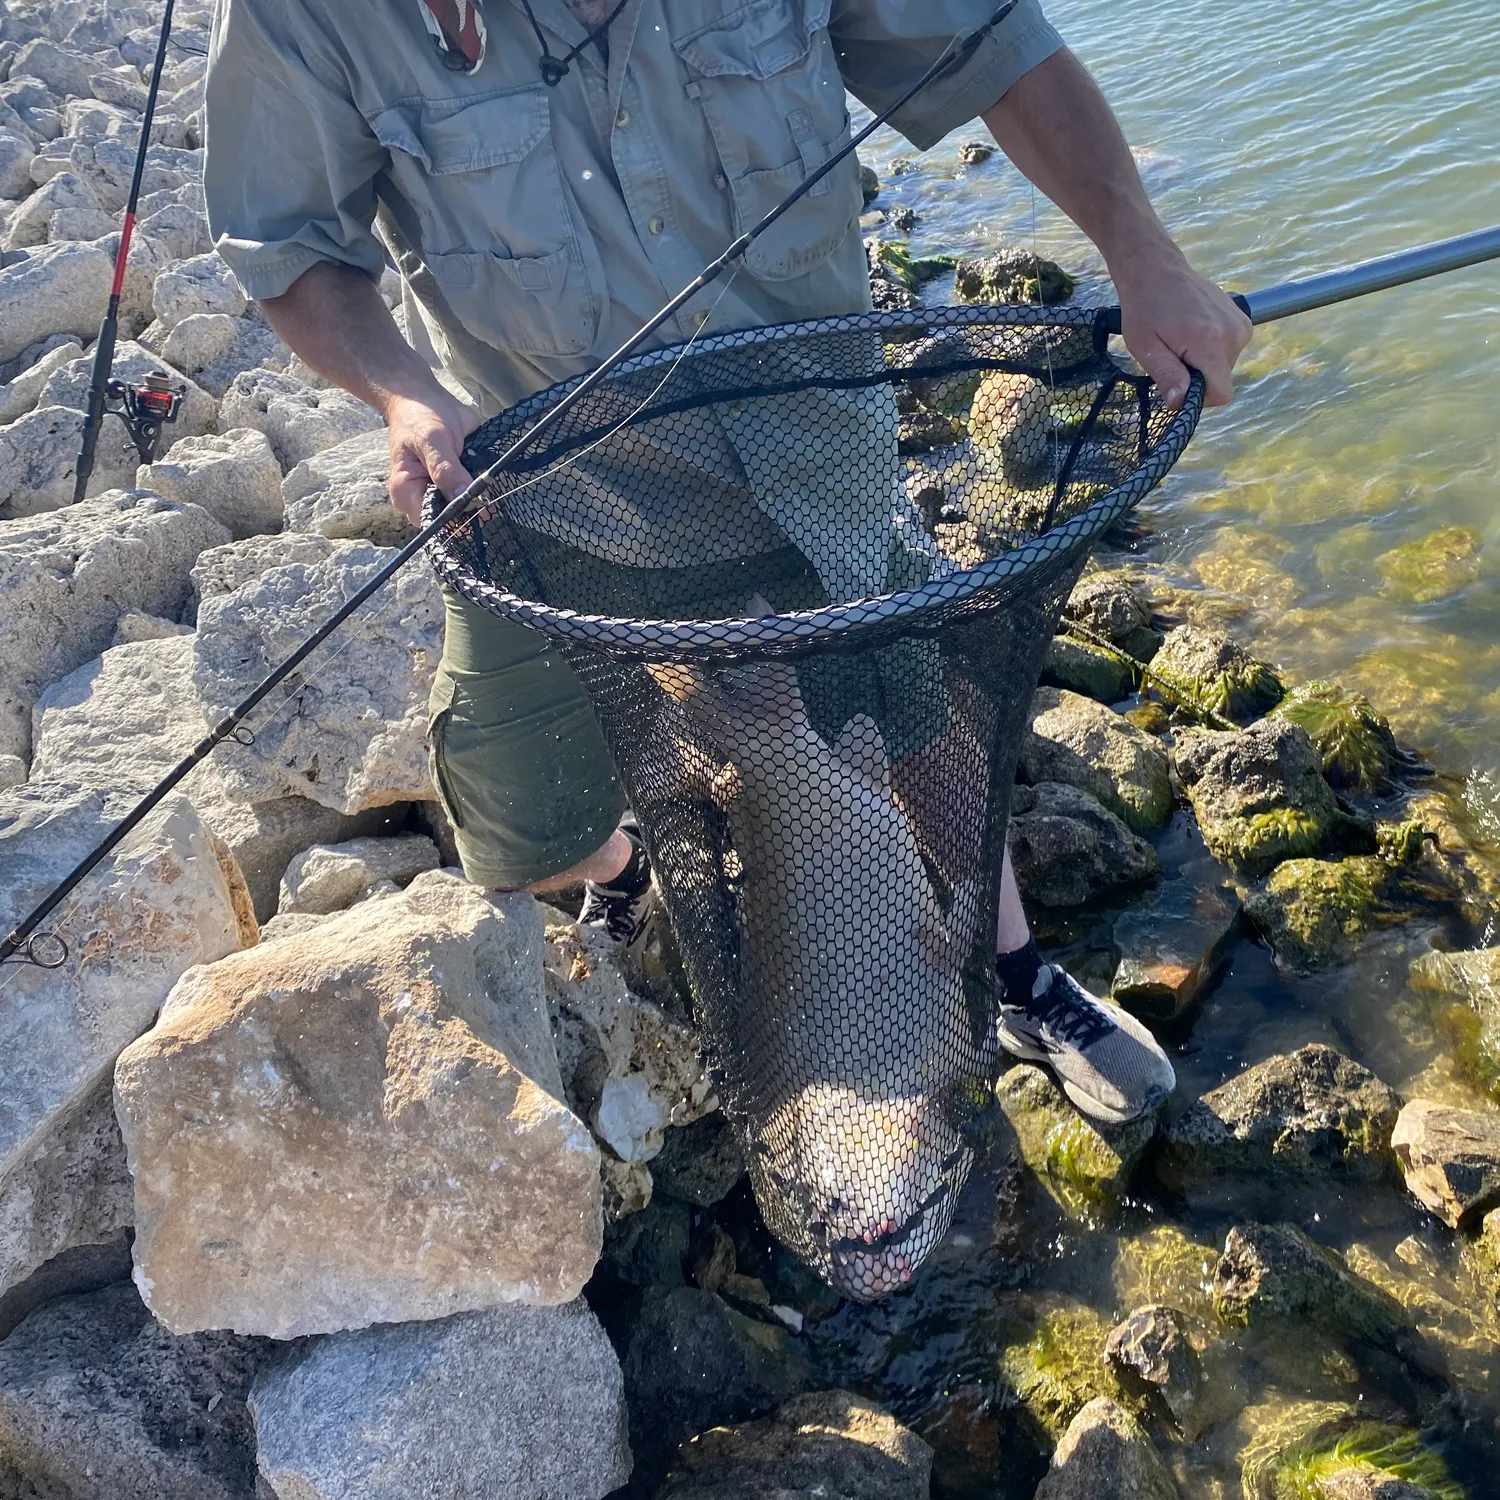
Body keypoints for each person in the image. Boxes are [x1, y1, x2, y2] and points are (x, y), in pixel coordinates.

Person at [203, 0, 1251, 1127]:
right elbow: (291, 247)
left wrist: (1143, 252)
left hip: (808, 435)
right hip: (548, 477)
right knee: (523, 815)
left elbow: (998, 49)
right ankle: (624, 877)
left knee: (916, 703)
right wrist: (405, 398)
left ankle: (1015, 978)